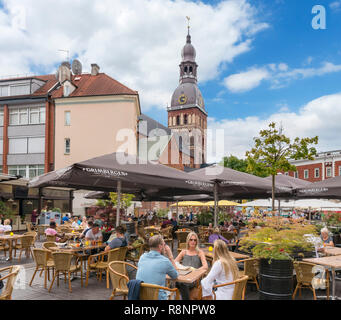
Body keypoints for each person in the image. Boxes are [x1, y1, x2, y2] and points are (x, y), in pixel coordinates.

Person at [136, 235, 178, 300]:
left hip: (141, 296)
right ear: (160, 246)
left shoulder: (142, 257)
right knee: (174, 292)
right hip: (158, 298)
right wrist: (170, 257)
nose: (165, 247)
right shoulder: (164, 261)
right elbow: (175, 276)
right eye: (164, 245)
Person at [174, 232, 208, 300]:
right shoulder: (184, 252)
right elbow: (174, 263)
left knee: (182, 284)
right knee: (180, 283)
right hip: (183, 277)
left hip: (194, 279)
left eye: (195, 240)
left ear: (196, 242)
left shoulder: (199, 252)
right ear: (188, 241)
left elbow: (206, 266)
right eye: (191, 239)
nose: (193, 242)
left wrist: (195, 271)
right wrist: (182, 267)